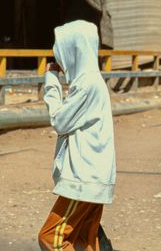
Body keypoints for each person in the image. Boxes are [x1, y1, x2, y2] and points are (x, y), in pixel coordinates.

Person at [38, 20, 116, 251]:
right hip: (93, 177)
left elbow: (60, 122)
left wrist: (51, 80)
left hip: (84, 179)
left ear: (74, 51)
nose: (59, 60)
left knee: (51, 238)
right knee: (85, 241)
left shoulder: (87, 84)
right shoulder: (89, 81)